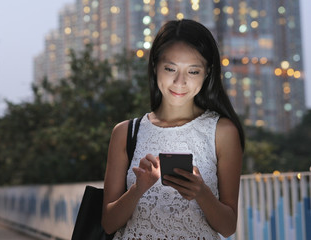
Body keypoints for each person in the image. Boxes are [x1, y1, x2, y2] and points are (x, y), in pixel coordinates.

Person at [101, 19, 244, 240]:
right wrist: (138, 189)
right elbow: (109, 224)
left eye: (193, 71)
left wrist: (201, 193)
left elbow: (228, 227)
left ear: (207, 73)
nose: (180, 82)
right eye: (170, 68)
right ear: (155, 66)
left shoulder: (222, 131)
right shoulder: (125, 133)